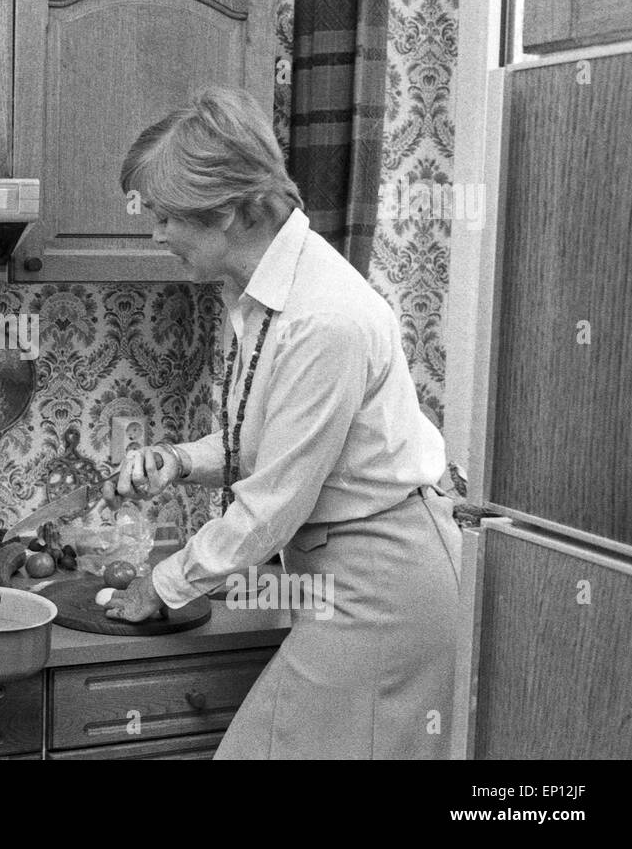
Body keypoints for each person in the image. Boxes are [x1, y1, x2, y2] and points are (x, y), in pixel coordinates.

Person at [101, 86, 463, 759]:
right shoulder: (266, 296)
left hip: (383, 586)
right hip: (344, 571)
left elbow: (275, 504)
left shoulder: (322, 319)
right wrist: (181, 459)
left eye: (165, 216)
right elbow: (274, 440)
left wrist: (163, 582)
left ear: (232, 210)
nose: (156, 235)